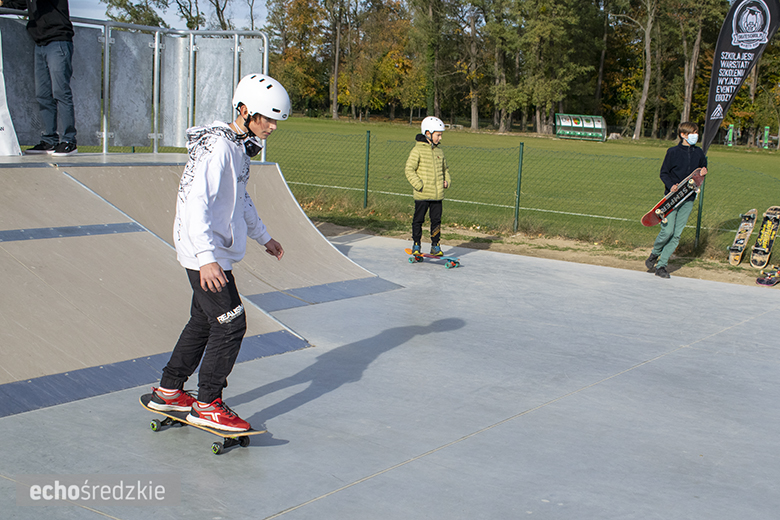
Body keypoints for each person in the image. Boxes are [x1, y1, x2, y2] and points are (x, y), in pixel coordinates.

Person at [147, 73, 289, 432]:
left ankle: (168, 390)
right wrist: (207, 258)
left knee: (203, 320)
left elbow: (240, 199)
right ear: (244, 110)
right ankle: (208, 403)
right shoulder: (218, 148)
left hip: (212, 250)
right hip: (203, 251)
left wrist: (264, 237)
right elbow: (197, 204)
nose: (271, 127)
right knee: (231, 323)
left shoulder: (237, 147)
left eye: (275, 120)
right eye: (266, 118)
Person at [1, 0, 78, 156]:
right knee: (43, 95)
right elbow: (17, 4)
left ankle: (69, 140)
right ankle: (50, 140)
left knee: (61, 92)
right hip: (40, 44)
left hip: (58, 41)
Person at [645, 122, 708, 279]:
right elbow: (664, 173)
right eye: (692, 133)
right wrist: (670, 185)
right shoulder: (672, 152)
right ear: (683, 135)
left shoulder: (699, 153)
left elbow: (701, 171)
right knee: (667, 231)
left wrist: (704, 172)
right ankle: (655, 253)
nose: (695, 136)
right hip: (671, 199)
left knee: (676, 235)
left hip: (688, 198)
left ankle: (661, 266)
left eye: (696, 133)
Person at [405, 116, 451, 256]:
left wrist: (447, 181)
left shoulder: (439, 152)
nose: (440, 138)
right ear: (428, 133)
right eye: (438, 135)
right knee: (418, 220)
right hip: (423, 194)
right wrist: (419, 185)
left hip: (437, 196)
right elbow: (409, 169)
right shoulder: (417, 150)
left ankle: (435, 245)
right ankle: (416, 244)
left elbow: (445, 170)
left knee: (436, 221)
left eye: (441, 135)